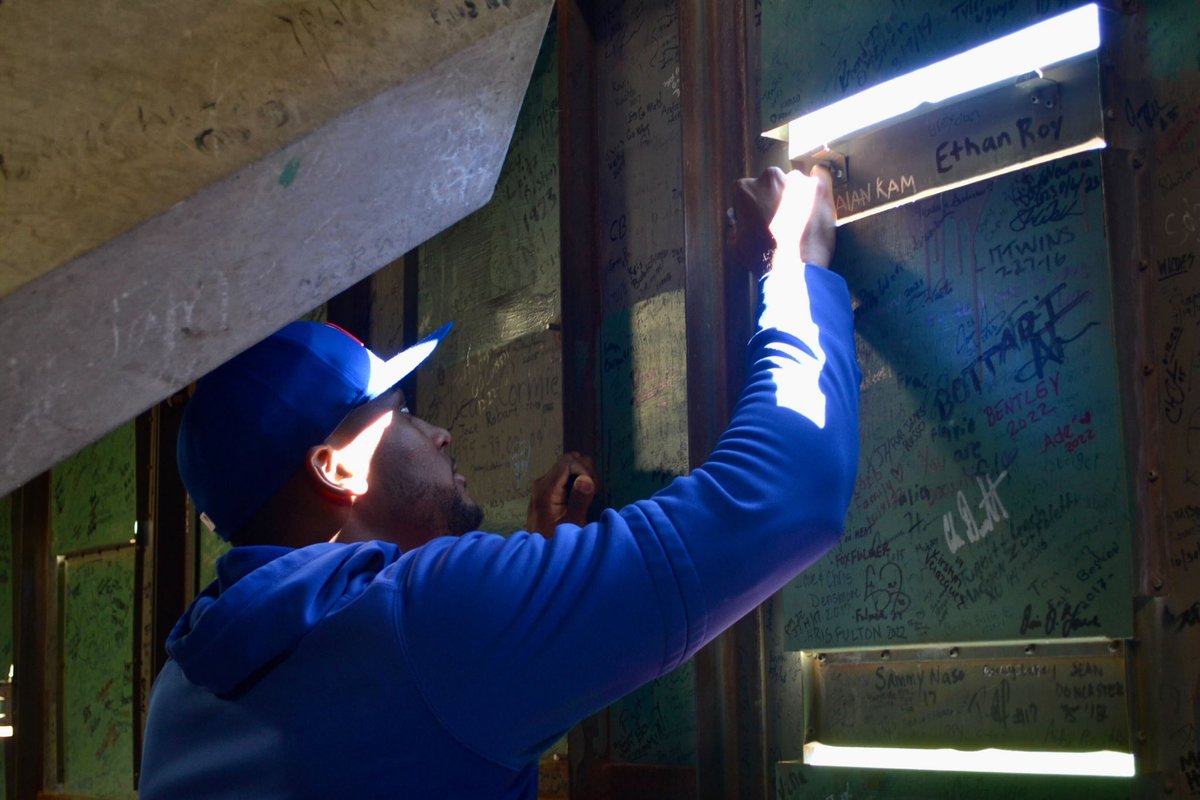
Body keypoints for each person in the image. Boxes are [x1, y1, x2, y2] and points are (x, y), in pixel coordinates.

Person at [139, 166, 860, 799]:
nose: (438, 433)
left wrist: (545, 574)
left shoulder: (183, 684)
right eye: (404, 416)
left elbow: (399, 731)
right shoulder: (427, 626)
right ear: (335, 466)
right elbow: (792, 490)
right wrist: (798, 269)